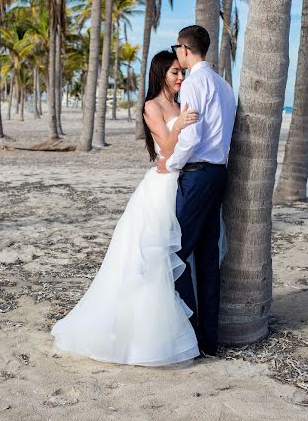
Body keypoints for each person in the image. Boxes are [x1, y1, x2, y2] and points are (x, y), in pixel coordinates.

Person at [51, 51, 201, 366]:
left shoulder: (179, 104)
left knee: (173, 255)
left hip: (183, 179)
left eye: (181, 73)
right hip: (161, 186)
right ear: (161, 72)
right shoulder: (152, 106)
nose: (180, 78)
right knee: (150, 257)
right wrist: (180, 125)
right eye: (175, 72)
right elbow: (165, 147)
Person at [157, 26, 236, 357]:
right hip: (219, 174)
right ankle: (209, 340)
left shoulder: (193, 83)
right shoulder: (225, 86)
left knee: (173, 253)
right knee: (206, 259)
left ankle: (186, 335)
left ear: (185, 49)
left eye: (177, 47)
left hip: (197, 175)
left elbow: (190, 136)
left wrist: (169, 165)